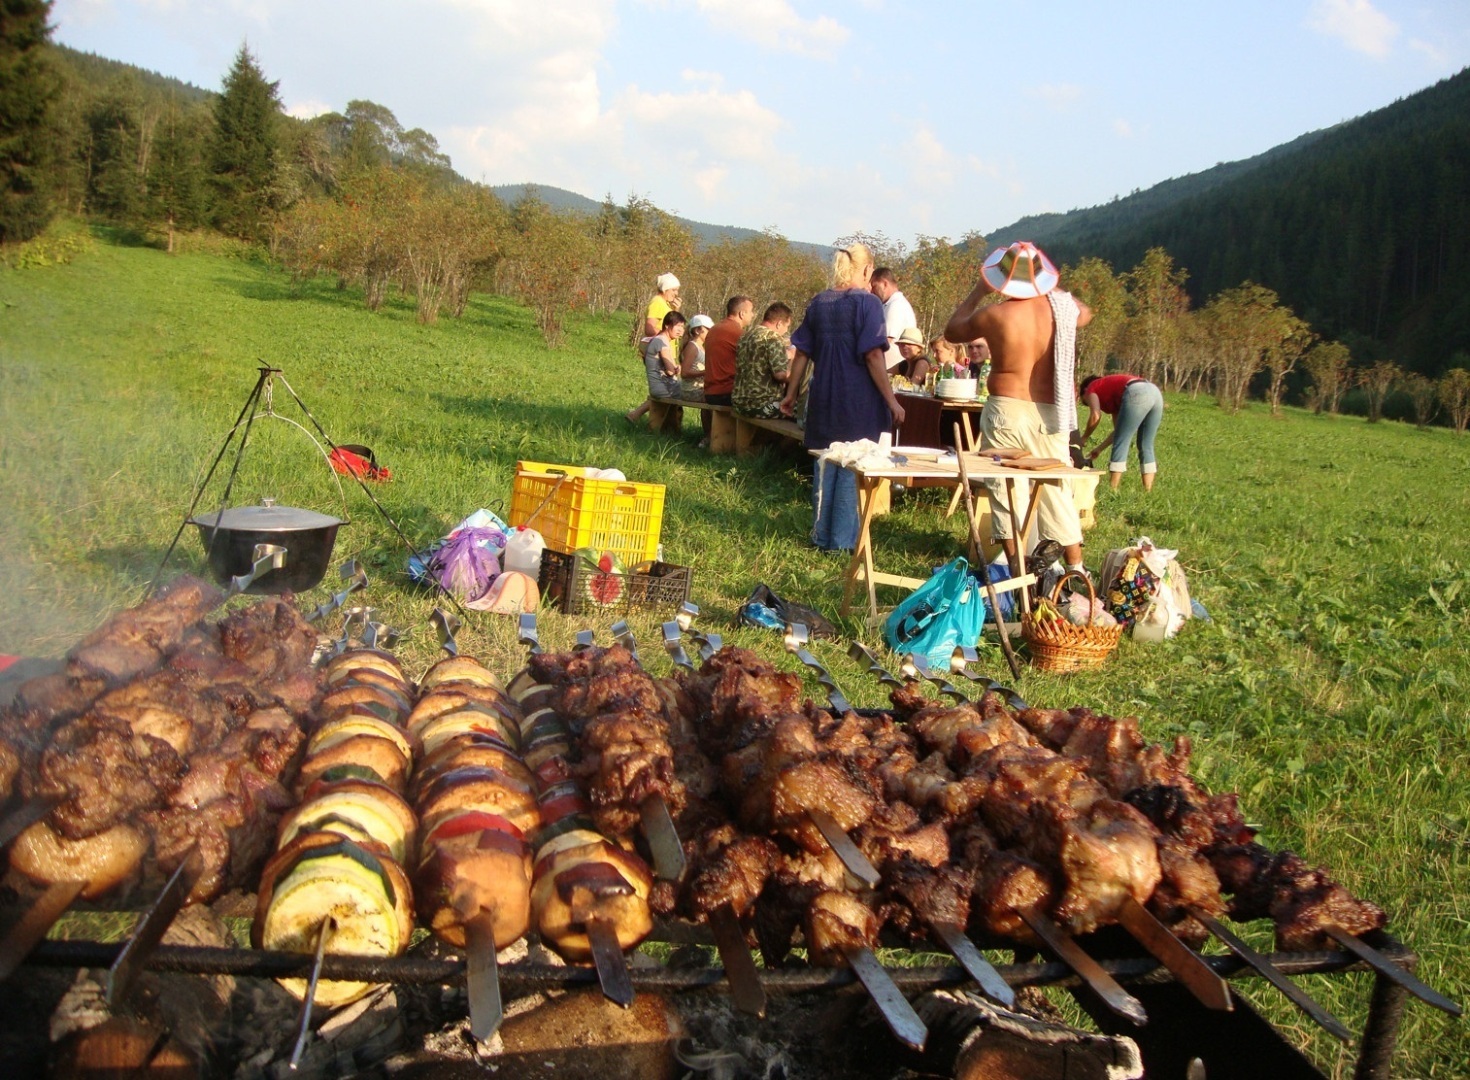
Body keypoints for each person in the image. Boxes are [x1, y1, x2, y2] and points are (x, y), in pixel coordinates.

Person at [944, 241, 1091, 573]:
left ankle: (1018, 574)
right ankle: (1077, 571)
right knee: (1056, 488)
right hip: (1051, 412)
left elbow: (952, 331)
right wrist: (1054, 289)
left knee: (1007, 490)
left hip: (1007, 410)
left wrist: (979, 291)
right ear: (1041, 278)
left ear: (1002, 279)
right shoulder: (1062, 312)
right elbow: (1086, 311)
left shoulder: (996, 314)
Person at [780, 244, 905, 552]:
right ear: (866, 270)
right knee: (851, 465)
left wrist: (791, 393)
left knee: (826, 462)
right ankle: (841, 544)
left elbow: (801, 353)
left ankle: (821, 537)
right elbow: (874, 355)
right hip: (857, 399)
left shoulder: (819, 302)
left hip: (823, 397)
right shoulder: (869, 304)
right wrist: (891, 401)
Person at [1079, 373, 1164, 490]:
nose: (1089, 403)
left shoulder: (1091, 387)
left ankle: (1113, 488)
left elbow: (1095, 415)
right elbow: (1118, 431)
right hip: (1155, 392)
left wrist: (1084, 437)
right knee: (1146, 444)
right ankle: (1148, 490)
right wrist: (1099, 449)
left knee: (1122, 442)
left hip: (1137, 392)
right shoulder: (1114, 395)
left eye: (1086, 402)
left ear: (1084, 391)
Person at [627, 273, 683, 424]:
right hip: (661, 354)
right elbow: (650, 328)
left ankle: (637, 415)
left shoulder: (665, 304)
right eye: (674, 290)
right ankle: (638, 415)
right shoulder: (657, 302)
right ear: (665, 289)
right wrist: (664, 337)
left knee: (666, 388)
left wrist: (677, 310)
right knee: (666, 389)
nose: (676, 294)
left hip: (667, 352)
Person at [733, 303, 793, 419]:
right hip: (762, 405)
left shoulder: (745, 336)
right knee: (805, 415)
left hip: (739, 403)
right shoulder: (773, 338)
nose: (786, 331)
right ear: (779, 323)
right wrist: (797, 373)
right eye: (787, 327)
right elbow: (780, 375)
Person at [701, 295, 755, 408]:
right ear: (742, 314)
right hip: (727, 392)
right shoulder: (737, 333)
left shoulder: (714, 329)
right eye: (751, 311)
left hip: (710, 391)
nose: (753, 315)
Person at [870, 267, 918, 372]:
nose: (872, 291)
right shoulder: (889, 305)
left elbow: (885, 341)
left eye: (874, 286)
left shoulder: (896, 305)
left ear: (885, 283)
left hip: (892, 371)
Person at [643, 310, 687, 421]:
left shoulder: (662, 340)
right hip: (664, 388)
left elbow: (669, 370)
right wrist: (678, 369)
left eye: (682, 327)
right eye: (677, 326)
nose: (680, 330)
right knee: (696, 392)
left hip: (662, 386)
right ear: (667, 325)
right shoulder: (662, 342)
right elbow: (671, 371)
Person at [680, 314, 714, 401]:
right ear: (697, 330)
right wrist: (705, 373)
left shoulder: (701, 347)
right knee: (717, 398)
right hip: (690, 391)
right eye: (708, 330)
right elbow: (684, 373)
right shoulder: (692, 347)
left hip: (699, 388)